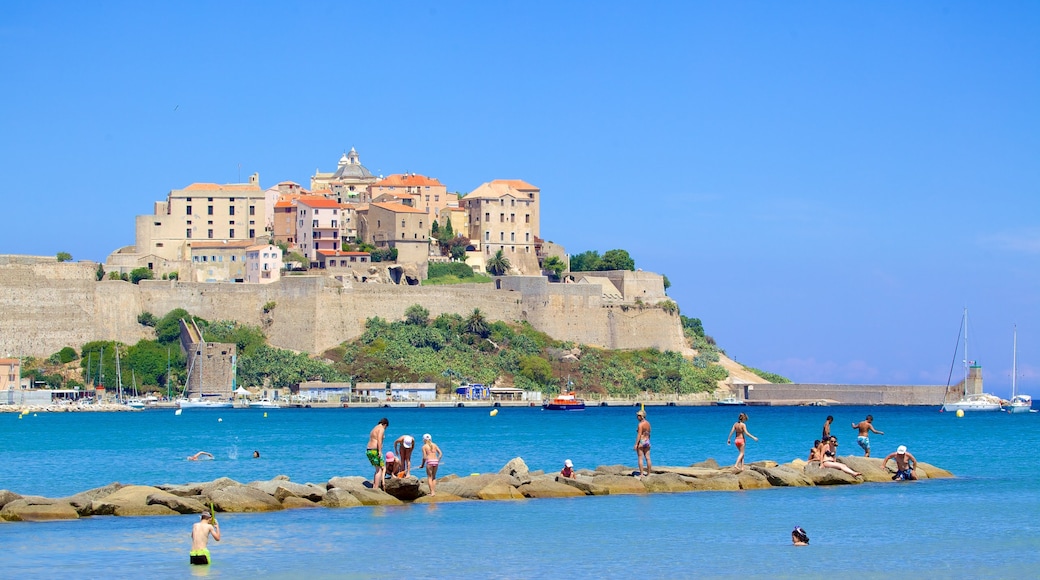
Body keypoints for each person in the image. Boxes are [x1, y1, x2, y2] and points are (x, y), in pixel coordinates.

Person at [366, 418, 389, 489]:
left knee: (377, 468)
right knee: (379, 470)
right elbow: (379, 439)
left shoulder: (374, 428)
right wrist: (379, 451)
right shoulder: (381, 429)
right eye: (386, 427)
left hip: (369, 450)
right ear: (385, 424)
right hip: (375, 450)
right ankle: (375, 487)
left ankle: (374, 485)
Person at [634, 409, 652, 477]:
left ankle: (641, 474)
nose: (637, 417)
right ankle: (649, 473)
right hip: (647, 440)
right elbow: (649, 432)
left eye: (638, 416)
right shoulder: (648, 423)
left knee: (640, 457)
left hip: (641, 441)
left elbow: (639, 435)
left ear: (641, 416)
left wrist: (636, 444)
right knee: (648, 458)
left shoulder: (640, 424)